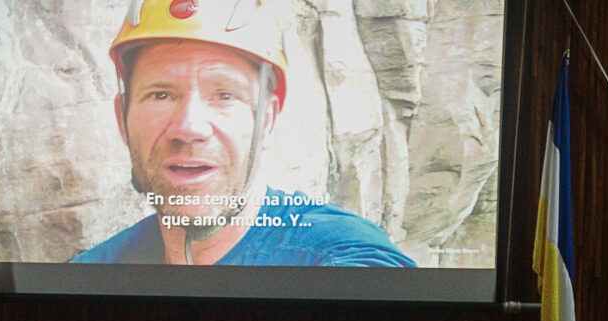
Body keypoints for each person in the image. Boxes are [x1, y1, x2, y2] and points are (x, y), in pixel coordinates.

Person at [71, 0, 414, 267]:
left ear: (266, 120)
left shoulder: (337, 258)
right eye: (160, 94)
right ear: (122, 118)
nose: (189, 128)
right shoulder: (90, 276)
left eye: (225, 95)